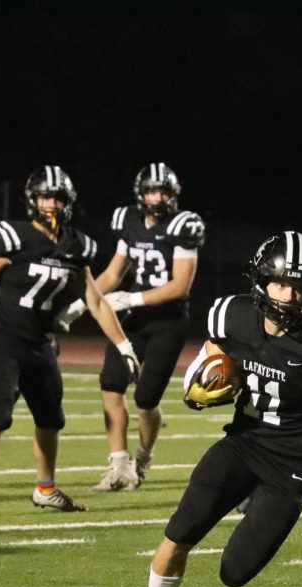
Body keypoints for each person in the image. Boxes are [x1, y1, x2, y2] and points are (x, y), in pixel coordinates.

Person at [116, 232, 302, 587]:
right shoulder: (230, 315)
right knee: (180, 530)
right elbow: (213, 357)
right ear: (261, 282)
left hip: (293, 464)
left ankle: (257, 506)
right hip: (243, 442)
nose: (289, 296)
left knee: (234, 573)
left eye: (299, 286)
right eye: (280, 283)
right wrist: (202, 384)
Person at [0, 165, 139, 520]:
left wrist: (124, 346)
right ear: (32, 200)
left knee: (51, 420)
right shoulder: (12, 237)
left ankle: (46, 490)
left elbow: (96, 301)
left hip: (42, 344)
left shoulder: (76, 245)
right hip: (3, 341)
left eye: (57, 197)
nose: (51, 203)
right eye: (45, 196)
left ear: (68, 201)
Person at [91, 162, 206, 491]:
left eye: (163, 192)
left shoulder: (183, 225)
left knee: (145, 399)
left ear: (173, 196)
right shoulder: (129, 221)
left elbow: (180, 285)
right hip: (137, 319)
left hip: (168, 321)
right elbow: (113, 273)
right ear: (140, 194)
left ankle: (143, 458)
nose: (157, 197)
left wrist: (130, 299)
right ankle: (118, 464)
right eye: (152, 191)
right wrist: (85, 298)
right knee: (111, 383)